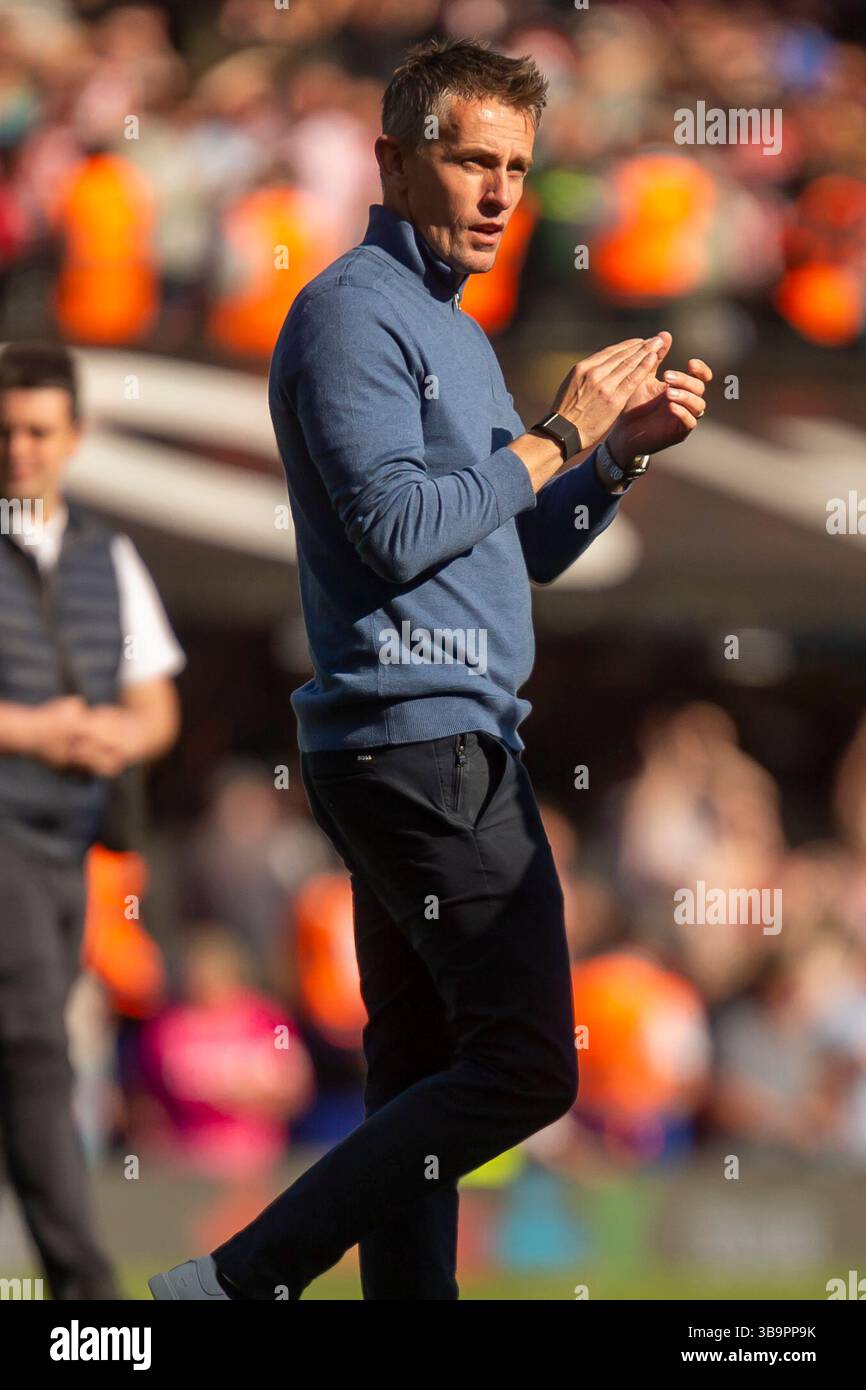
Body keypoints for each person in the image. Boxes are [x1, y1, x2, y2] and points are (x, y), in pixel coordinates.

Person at [150, 36, 711, 1302]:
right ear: (395, 161)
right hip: (413, 741)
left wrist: (614, 458)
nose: (502, 193)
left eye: (517, 166)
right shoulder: (351, 311)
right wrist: (556, 430)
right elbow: (397, 529)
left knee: (418, 1079)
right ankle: (239, 1280)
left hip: (446, 739)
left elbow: (519, 547)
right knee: (527, 1067)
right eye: (471, 162)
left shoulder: (456, 333)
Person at [0, 339, 185, 1299]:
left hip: (70, 841)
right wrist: (34, 729)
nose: (19, 451)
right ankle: (85, 1289)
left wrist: (116, 735)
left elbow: (155, 700)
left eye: (37, 431)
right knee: (33, 1042)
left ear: (74, 437)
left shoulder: (105, 555)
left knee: (38, 1044)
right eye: (5, 433)